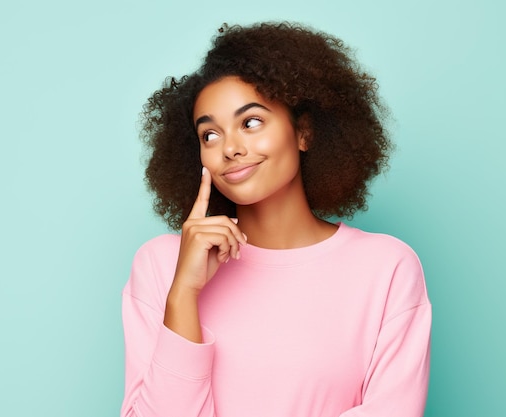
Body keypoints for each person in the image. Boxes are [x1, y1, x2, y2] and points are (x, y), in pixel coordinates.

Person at [121, 22, 431, 417]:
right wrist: (183, 296)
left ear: (303, 132)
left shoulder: (386, 268)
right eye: (210, 136)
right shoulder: (162, 265)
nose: (230, 148)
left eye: (250, 123)